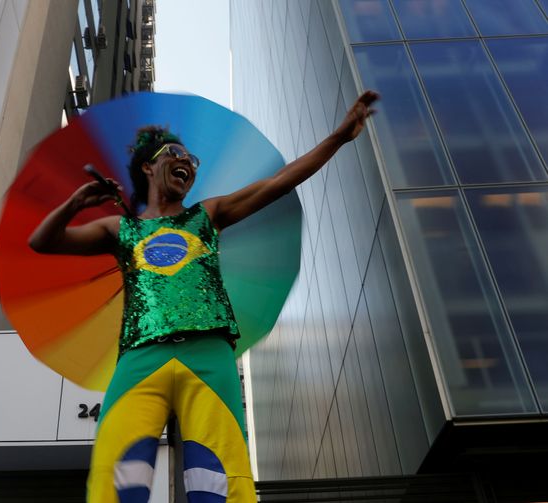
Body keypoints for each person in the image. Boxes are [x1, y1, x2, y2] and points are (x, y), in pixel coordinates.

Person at [29, 90, 379, 502]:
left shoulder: (207, 215)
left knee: (222, 478)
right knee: (113, 476)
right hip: (141, 357)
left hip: (209, 355)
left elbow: (280, 182)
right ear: (148, 165)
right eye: (175, 153)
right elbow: (42, 241)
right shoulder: (119, 230)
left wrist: (338, 138)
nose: (187, 163)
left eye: (192, 162)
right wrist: (74, 203)